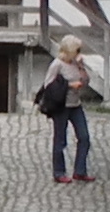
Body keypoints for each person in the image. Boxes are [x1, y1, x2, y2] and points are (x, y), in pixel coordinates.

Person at [35, 43, 97, 184]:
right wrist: (69, 85)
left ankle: (80, 171)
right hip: (61, 106)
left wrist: (81, 67)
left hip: (76, 105)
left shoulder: (76, 63)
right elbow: (48, 85)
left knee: (84, 137)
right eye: (76, 50)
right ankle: (59, 172)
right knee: (60, 140)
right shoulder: (57, 65)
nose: (78, 53)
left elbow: (86, 81)